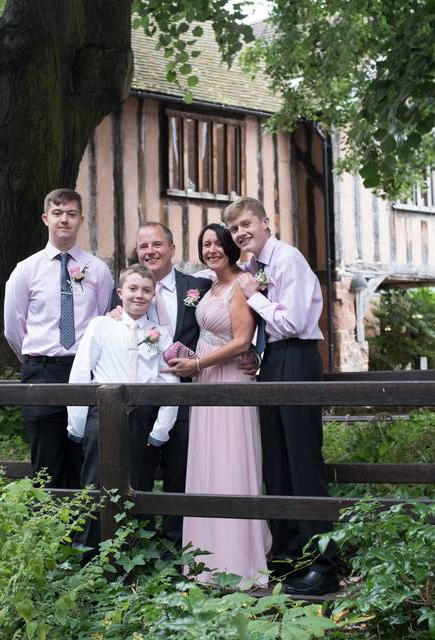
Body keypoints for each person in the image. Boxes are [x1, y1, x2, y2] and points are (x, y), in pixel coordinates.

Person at [226, 196, 339, 596]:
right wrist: (256, 354)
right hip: (273, 360)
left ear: (266, 222)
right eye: (236, 228)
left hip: (298, 358)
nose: (241, 233)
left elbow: (292, 322)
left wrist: (253, 294)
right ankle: (292, 558)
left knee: (302, 460)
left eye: (246, 224)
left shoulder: (287, 259)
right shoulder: (252, 268)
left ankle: (325, 565)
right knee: (277, 464)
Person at [165, 223, 271, 589]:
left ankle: (237, 559)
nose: (211, 249)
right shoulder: (208, 286)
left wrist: (198, 364)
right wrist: (190, 356)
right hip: (205, 376)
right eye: (205, 244)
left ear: (230, 246)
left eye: (217, 243)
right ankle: (206, 560)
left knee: (230, 461)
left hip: (227, 380)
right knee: (207, 462)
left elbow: (243, 341)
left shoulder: (242, 284)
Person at [4, 188, 114, 489]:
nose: (64, 219)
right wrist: (36, 360)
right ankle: (49, 530)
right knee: (46, 455)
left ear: (81, 219)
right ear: (45, 218)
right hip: (41, 370)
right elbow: (14, 328)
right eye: (57, 213)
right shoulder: (25, 270)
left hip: (85, 370)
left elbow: (103, 318)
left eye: (70, 214)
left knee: (85, 452)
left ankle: (86, 531)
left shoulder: (99, 271)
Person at [110, 222, 212, 547]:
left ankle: (176, 547)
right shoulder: (130, 293)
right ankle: (137, 547)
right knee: (137, 476)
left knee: (178, 474)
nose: (150, 251)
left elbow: (222, 324)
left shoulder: (199, 287)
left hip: (185, 396)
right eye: (143, 247)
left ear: (171, 249)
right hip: (140, 402)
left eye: (156, 244)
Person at [68, 264, 180, 550]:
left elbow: (170, 382)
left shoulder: (160, 334)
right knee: (96, 480)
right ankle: (90, 553)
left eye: (146, 290)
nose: (139, 296)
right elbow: (82, 372)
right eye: (132, 289)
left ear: (154, 295)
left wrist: (160, 430)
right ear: (120, 292)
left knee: (137, 481)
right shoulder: (102, 325)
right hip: (102, 413)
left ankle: (133, 551)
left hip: (142, 415)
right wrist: (77, 423)